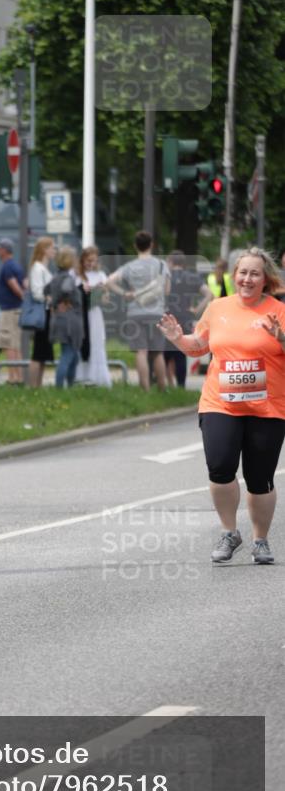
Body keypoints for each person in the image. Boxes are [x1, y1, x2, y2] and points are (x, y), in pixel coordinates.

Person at [158, 247, 285, 565]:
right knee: (219, 467)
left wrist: (281, 338)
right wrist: (178, 338)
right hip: (220, 403)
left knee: (260, 478)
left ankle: (260, 540)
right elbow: (198, 346)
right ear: (234, 275)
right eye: (243, 272)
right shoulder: (218, 308)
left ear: (265, 278)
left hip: (267, 406)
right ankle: (230, 532)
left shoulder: (278, 310)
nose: (247, 278)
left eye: (255, 273)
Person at [107, 230, 170, 392]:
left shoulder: (129, 267)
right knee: (157, 352)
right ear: (152, 245)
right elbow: (167, 290)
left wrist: (124, 293)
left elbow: (109, 281)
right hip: (156, 313)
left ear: (135, 246)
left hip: (135, 313)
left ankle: (145, 389)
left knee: (141, 352)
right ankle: (163, 389)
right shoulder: (161, 265)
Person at [164, 250, 212, 388]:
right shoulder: (192, 277)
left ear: (171, 262)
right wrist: (197, 310)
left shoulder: (166, 277)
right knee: (181, 353)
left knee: (165, 353)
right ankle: (180, 386)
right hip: (185, 317)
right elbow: (209, 294)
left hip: (168, 317)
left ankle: (166, 386)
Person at [75, 246, 112, 387]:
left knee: (96, 343)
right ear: (83, 260)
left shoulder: (101, 275)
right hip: (81, 314)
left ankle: (96, 377)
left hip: (94, 313)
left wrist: (101, 292)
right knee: (83, 342)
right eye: (88, 260)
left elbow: (106, 299)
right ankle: (81, 377)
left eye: (94, 261)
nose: (91, 263)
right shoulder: (77, 276)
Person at [47, 246, 84, 388]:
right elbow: (66, 289)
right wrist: (65, 301)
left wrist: (53, 303)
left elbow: (46, 290)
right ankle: (60, 387)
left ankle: (69, 386)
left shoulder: (55, 276)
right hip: (70, 321)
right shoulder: (67, 277)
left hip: (60, 319)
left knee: (73, 356)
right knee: (68, 355)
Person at [0, 237, 26, 384]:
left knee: (8, 343)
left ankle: (14, 377)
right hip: (16, 311)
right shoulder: (16, 266)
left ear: (4, 250)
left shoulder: (7, 267)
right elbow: (25, 284)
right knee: (15, 344)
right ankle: (18, 376)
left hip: (9, 311)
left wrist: (24, 299)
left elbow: (15, 286)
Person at [27, 237, 56, 388]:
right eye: (52, 248)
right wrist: (50, 299)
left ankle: (38, 385)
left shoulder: (43, 268)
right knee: (38, 352)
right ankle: (33, 386)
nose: (54, 251)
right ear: (44, 249)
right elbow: (37, 292)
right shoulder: (38, 268)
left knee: (43, 353)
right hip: (42, 314)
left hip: (47, 313)